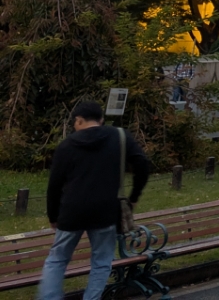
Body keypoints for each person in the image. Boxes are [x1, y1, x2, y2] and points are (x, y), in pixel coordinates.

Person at [39, 101, 152, 300]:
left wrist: (53, 216)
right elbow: (142, 164)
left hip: (71, 211)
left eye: (75, 122)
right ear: (100, 120)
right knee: (101, 261)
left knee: (57, 260)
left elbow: (54, 185)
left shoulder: (67, 146)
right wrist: (134, 197)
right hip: (105, 211)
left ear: (80, 120)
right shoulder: (119, 137)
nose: (75, 126)